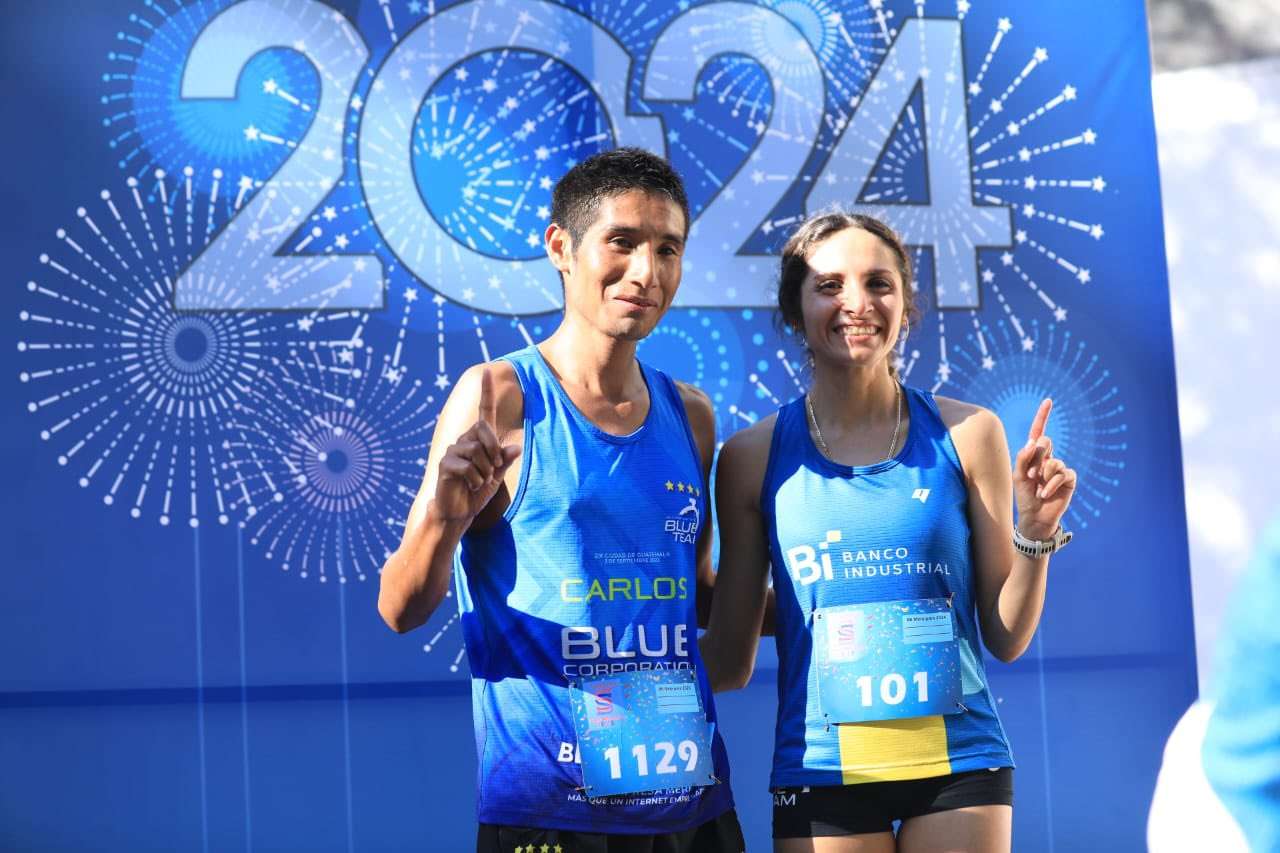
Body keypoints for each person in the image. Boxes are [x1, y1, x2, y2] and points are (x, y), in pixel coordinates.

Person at [377, 148, 743, 852]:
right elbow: (400, 607)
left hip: (689, 802)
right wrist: (446, 518)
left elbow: (694, 598)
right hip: (549, 806)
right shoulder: (500, 398)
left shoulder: (690, 414)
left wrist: (839, 596)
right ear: (560, 248)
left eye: (668, 248)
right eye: (623, 242)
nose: (647, 271)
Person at [700, 212, 1078, 852]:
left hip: (959, 763)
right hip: (824, 766)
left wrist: (1036, 531)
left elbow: (1006, 637)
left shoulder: (970, 433)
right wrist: (605, 675)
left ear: (905, 306)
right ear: (795, 310)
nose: (857, 303)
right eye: (828, 286)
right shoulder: (751, 456)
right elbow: (731, 657)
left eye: (878, 283)